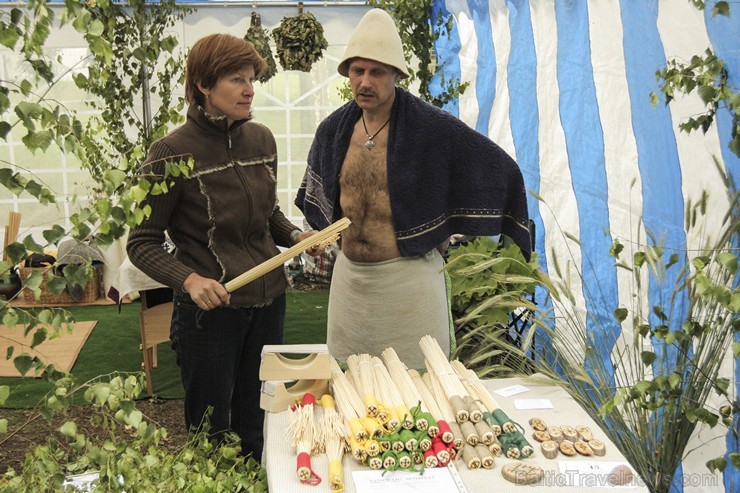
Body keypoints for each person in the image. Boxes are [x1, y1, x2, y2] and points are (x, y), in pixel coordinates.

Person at [295, 9, 531, 370]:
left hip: (409, 283)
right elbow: (321, 198)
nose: (365, 82)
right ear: (347, 74)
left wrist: (446, 224)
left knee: (420, 389)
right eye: (358, 71)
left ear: (396, 75)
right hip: (350, 285)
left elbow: (501, 169)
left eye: (377, 72)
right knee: (348, 390)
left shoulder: (431, 129)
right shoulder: (332, 130)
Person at [127, 33, 315, 460]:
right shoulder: (169, 154)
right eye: (236, 79)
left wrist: (295, 236)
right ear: (203, 86)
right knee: (210, 428)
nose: (249, 89)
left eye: (252, 79)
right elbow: (141, 243)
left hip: (269, 303)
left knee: (258, 415)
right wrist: (189, 280)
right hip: (210, 314)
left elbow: (268, 214)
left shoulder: (262, 140)